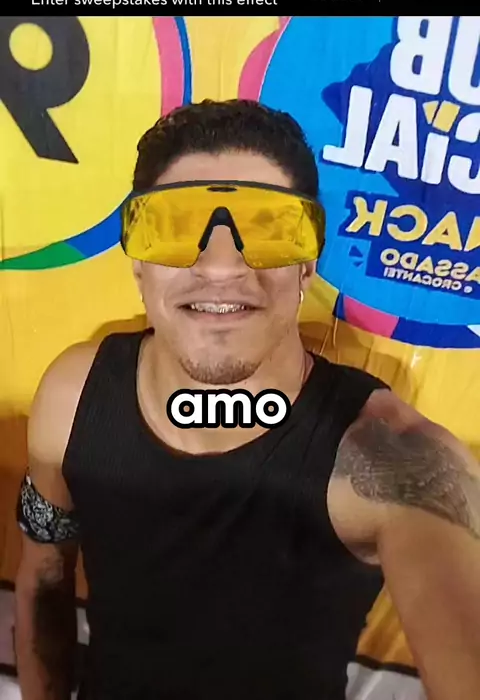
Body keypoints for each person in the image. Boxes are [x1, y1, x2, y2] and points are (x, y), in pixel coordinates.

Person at [14, 99, 480, 700]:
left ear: (308, 263)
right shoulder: (73, 397)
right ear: (138, 260)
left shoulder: (390, 463)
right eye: (176, 226)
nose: (221, 265)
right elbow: (43, 578)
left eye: (267, 229)